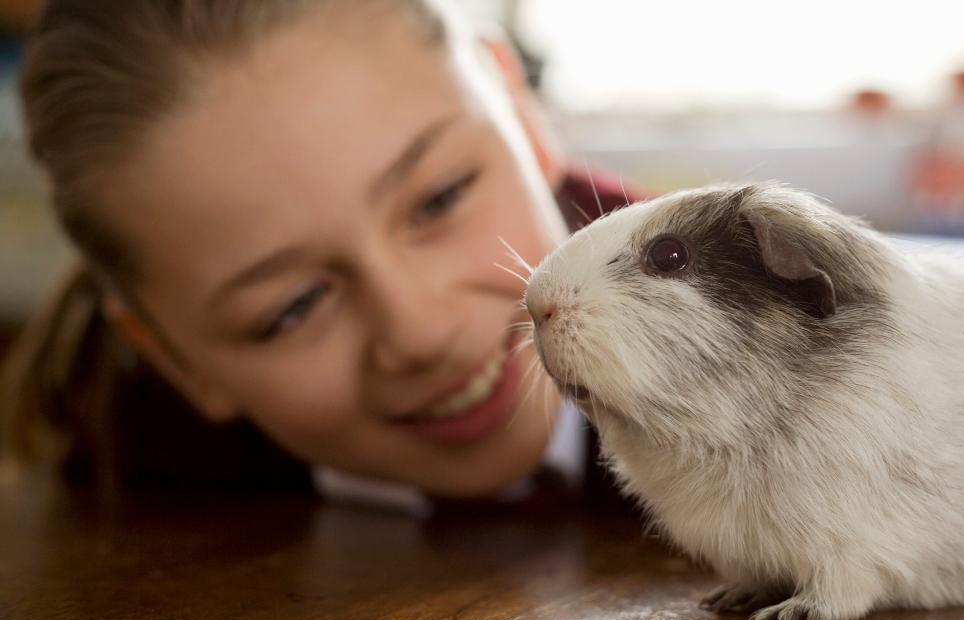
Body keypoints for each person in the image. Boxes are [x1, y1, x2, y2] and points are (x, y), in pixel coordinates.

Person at [0, 0, 637, 503]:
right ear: (174, 361)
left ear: (522, 112)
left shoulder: (730, 316)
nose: (421, 333)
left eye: (440, 199)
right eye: (293, 307)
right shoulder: (121, 487)